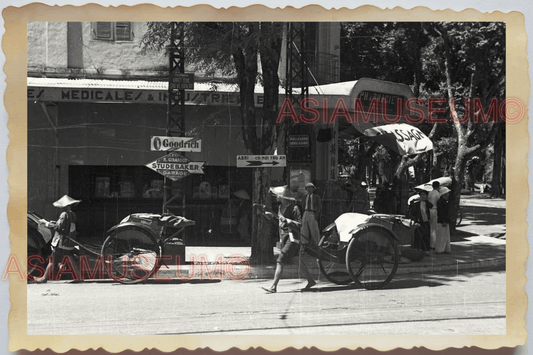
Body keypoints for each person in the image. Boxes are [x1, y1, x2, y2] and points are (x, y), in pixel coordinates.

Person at [260, 185, 316, 293]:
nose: (277, 197)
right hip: (284, 238)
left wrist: (287, 220)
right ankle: (311, 280)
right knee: (297, 261)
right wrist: (271, 217)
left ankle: (273, 287)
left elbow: (299, 224)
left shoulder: (294, 209)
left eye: (278, 196)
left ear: (282, 197)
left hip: (292, 239)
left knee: (280, 260)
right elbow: (280, 223)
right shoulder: (281, 207)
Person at [35, 195, 82, 283]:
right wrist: (55, 222)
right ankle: (78, 277)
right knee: (70, 259)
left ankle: (44, 278)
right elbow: (65, 226)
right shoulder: (72, 214)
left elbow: (58, 228)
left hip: (61, 242)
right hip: (69, 242)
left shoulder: (64, 214)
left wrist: (46, 223)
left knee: (52, 260)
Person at [435, 187, 452, 254]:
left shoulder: (443, 201)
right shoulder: (441, 202)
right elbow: (441, 212)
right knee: (441, 236)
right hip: (442, 221)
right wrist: (443, 221)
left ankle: (445, 248)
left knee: (445, 235)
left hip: (444, 220)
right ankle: (439, 249)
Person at [428, 181, 441, 252]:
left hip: (429, 210)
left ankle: (429, 243)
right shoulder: (438, 194)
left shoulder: (429, 193)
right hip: (435, 210)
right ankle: (433, 244)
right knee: (434, 228)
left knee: (430, 227)